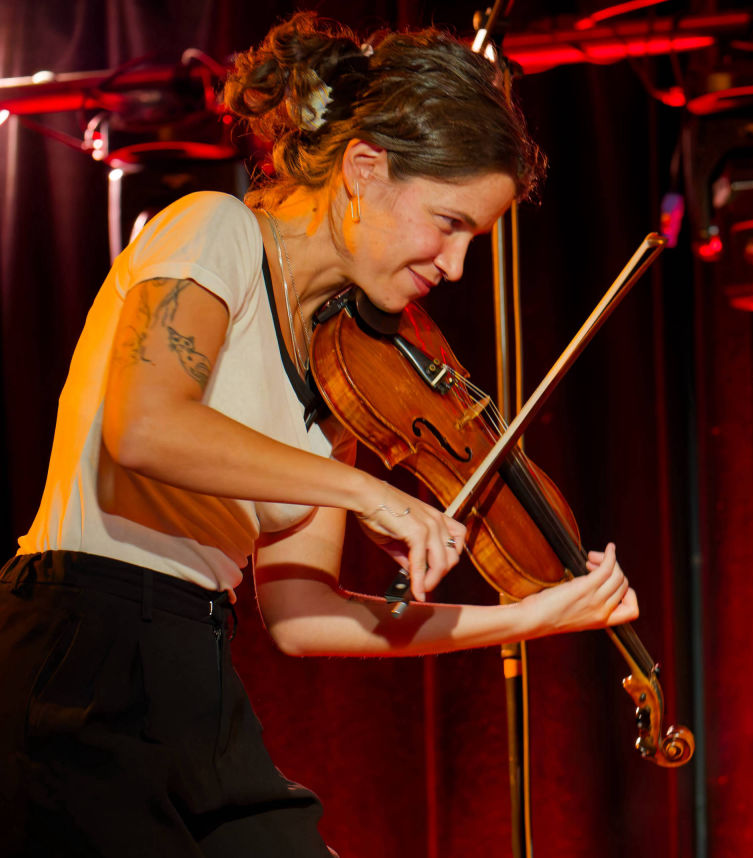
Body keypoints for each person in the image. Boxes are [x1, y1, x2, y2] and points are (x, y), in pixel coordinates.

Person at [0, 12, 639, 857]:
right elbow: (146, 426)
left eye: (473, 240)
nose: (455, 266)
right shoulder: (214, 228)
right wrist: (367, 491)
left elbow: (302, 617)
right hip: (79, 649)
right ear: (364, 169)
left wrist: (533, 616)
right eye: (450, 223)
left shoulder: (341, 373)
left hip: (194, 668)